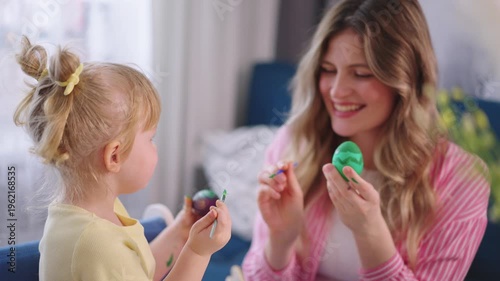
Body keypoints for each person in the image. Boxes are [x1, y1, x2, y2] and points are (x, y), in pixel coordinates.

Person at [242, 0, 490, 280]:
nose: (337, 91)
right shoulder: (294, 142)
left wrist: (369, 230)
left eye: (361, 74)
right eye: (328, 69)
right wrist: (281, 240)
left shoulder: (460, 179)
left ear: (405, 79)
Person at [13, 36, 231, 281]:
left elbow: (136, 270)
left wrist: (179, 232)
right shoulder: (98, 246)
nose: (155, 148)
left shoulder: (89, 214)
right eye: (150, 138)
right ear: (114, 156)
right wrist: (198, 253)